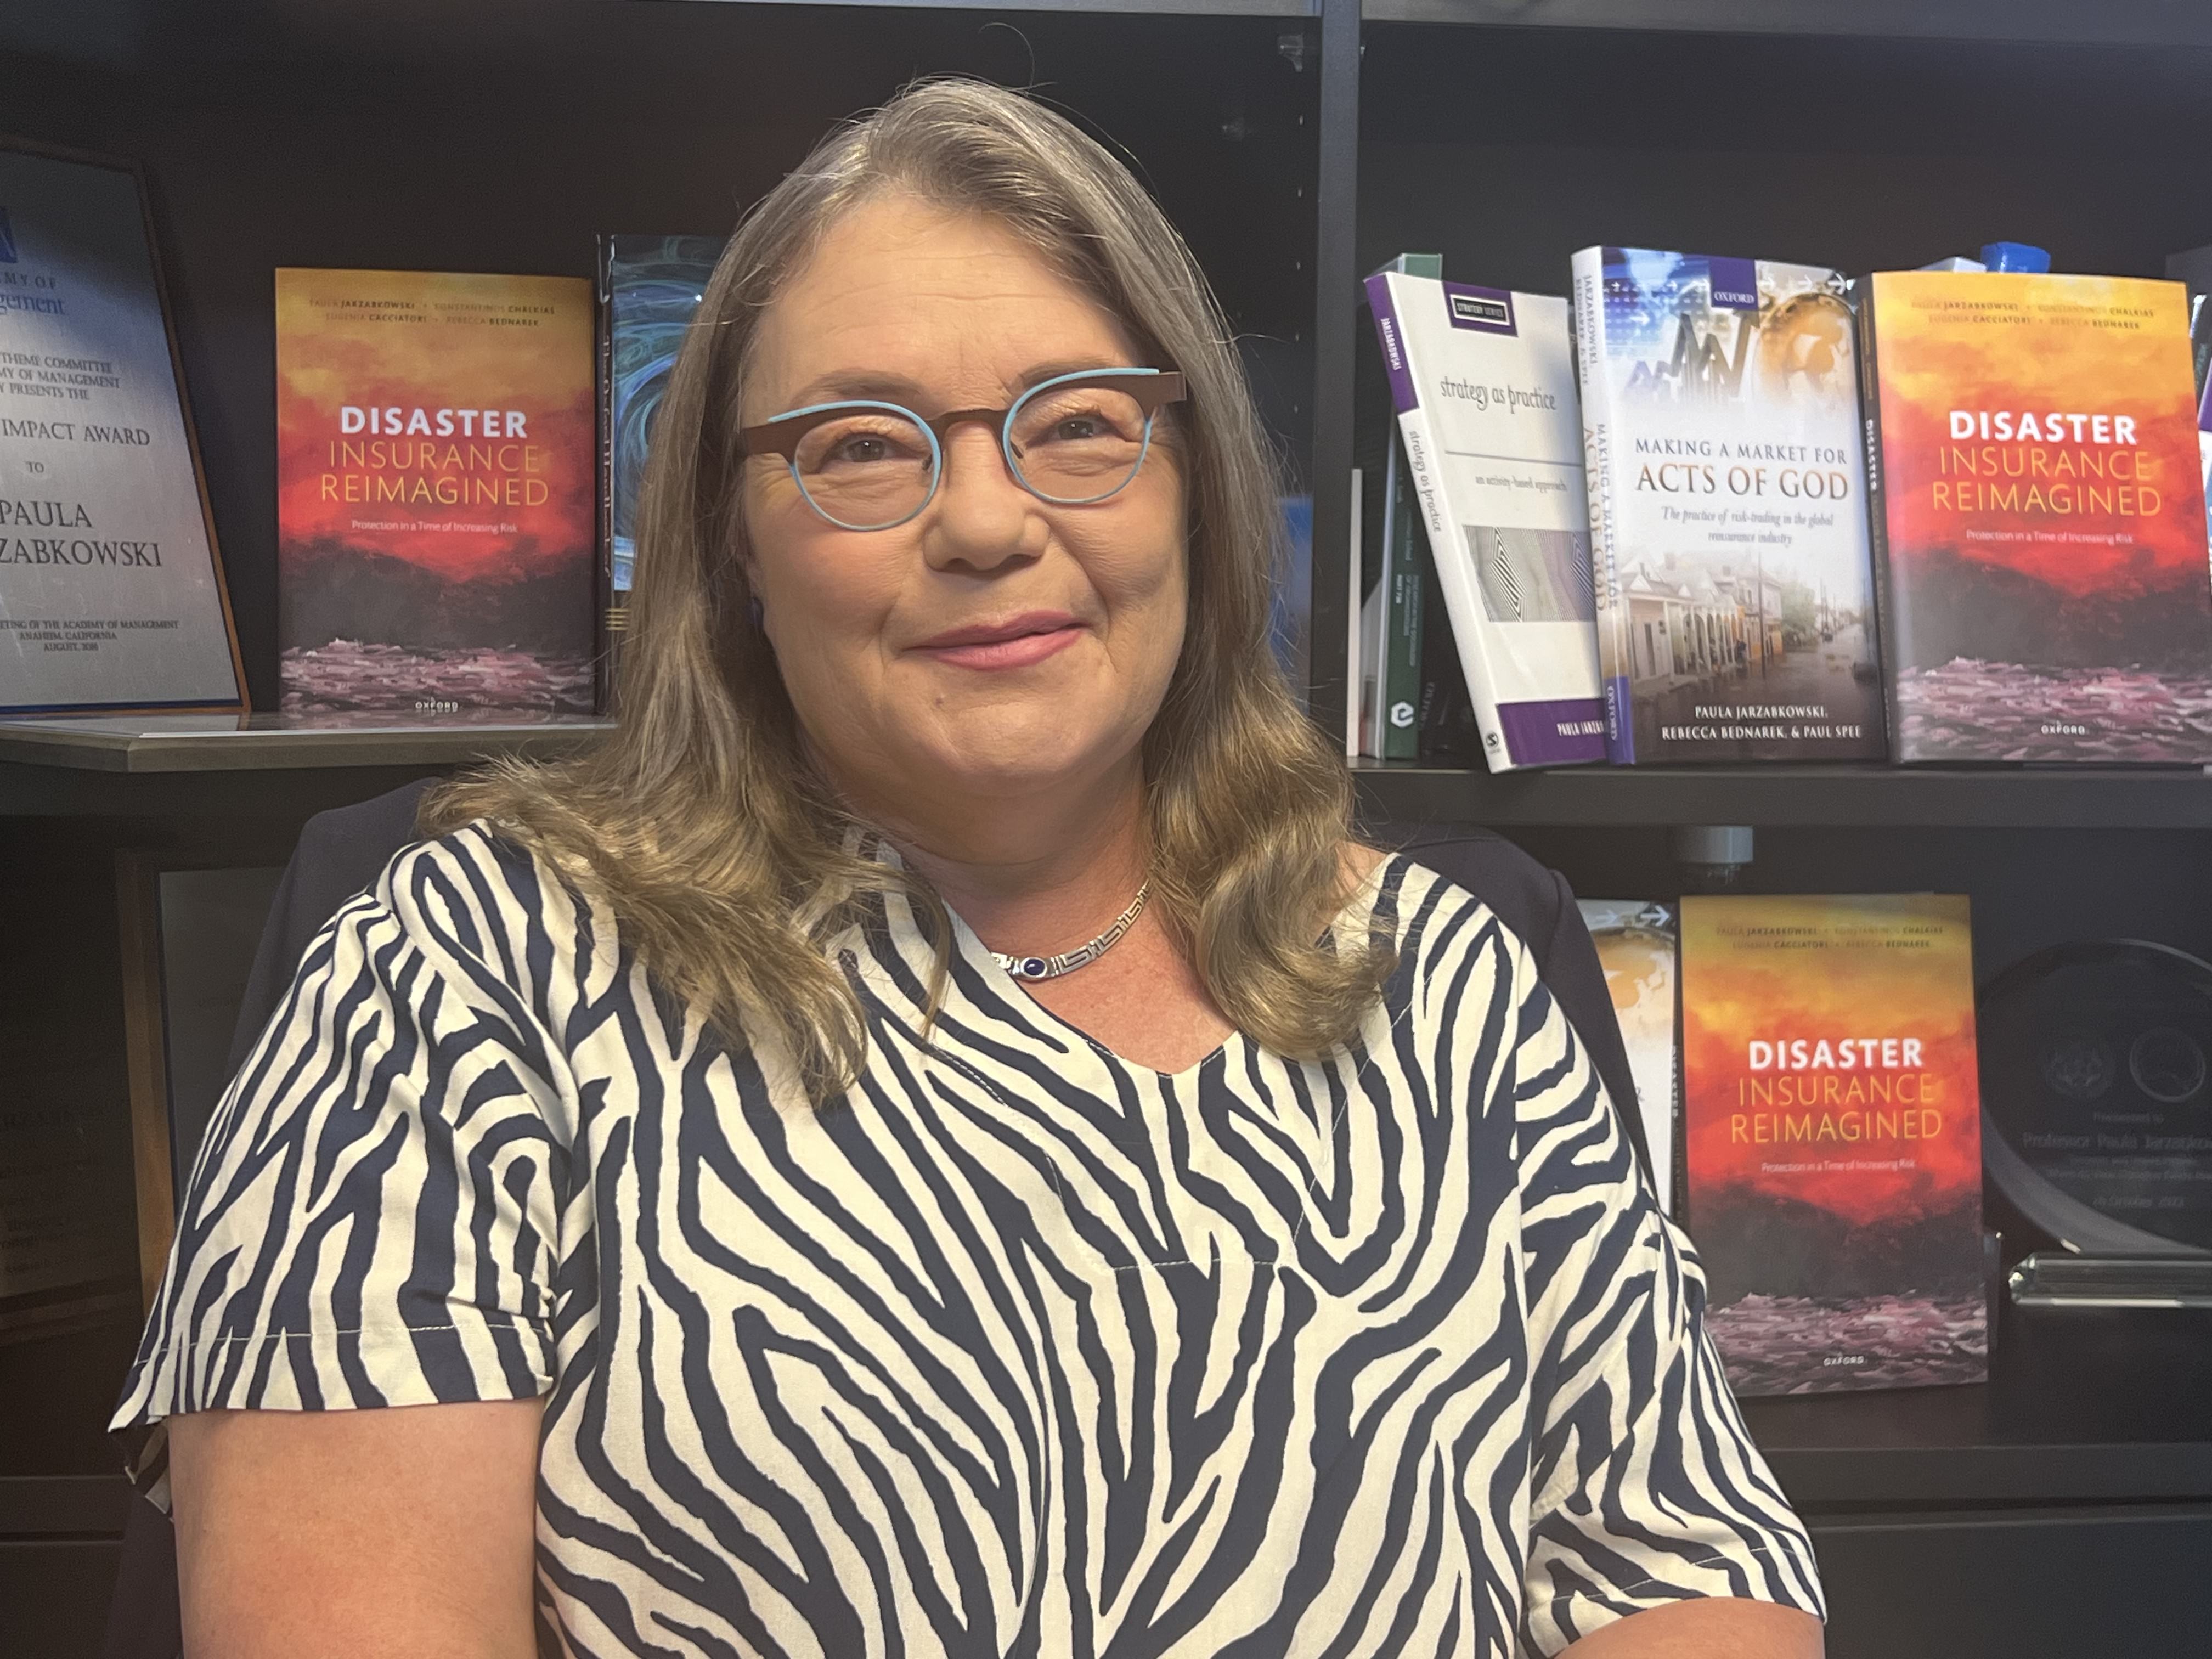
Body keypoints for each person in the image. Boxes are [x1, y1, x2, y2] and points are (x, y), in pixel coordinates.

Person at [112, 78, 1825, 1659]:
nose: (992, 525)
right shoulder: (463, 973)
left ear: (1195, 485)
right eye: (862, 445)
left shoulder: (1449, 974)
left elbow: (1689, 1571)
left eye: (1078, 423)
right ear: (731, 534)